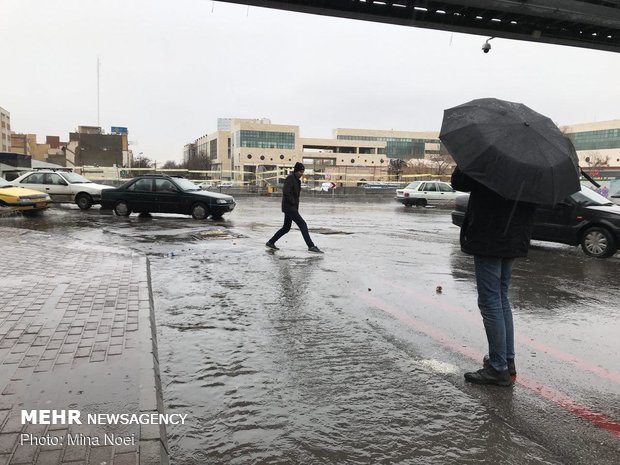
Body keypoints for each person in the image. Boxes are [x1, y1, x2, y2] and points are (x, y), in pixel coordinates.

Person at [451, 166, 537, 386]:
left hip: (490, 234)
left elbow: (460, 182)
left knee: (490, 301)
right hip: (514, 234)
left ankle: (498, 367)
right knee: (500, 297)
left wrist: (464, 161)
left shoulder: (491, 158)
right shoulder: (532, 164)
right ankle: (506, 361)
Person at [266, 162, 323, 253]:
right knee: (303, 225)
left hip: (292, 207)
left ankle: (271, 242)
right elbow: (286, 192)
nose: (301, 174)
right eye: (300, 171)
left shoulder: (297, 180)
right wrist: (292, 202)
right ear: (296, 171)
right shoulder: (290, 178)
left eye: (302, 172)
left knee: (286, 228)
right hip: (289, 207)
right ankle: (311, 246)